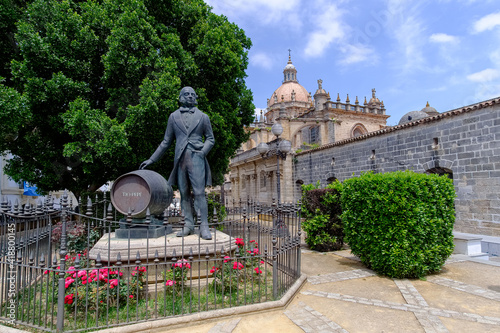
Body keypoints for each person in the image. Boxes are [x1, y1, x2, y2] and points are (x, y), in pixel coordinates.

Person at [140, 87, 215, 240]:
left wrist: (202, 152)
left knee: (199, 193)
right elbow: (166, 142)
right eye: (186, 94)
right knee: (184, 194)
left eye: (193, 95)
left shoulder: (203, 117)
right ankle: (188, 225)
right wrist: (152, 159)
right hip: (180, 159)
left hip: (197, 157)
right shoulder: (173, 117)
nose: (190, 96)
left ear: (196, 98)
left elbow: (210, 139)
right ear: (180, 97)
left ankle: (204, 226)